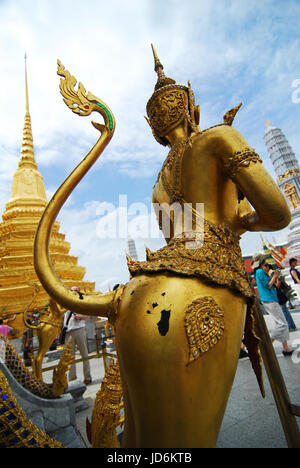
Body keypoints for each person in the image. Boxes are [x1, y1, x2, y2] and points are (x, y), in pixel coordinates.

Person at [34, 48, 292, 447]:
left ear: (155, 128)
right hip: (210, 284)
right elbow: (278, 214)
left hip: (140, 292)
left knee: (143, 443)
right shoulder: (218, 137)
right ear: (194, 109)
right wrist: (242, 220)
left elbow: (184, 237)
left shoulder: (159, 184)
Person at [252, 253, 293, 355]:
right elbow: (268, 286)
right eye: (265, 263)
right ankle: (268, 343)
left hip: (270, 298)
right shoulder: (260, 272)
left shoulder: (259, 272)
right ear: (261, 263)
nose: (267, 265)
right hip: (269, 299)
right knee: (282, 324)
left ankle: (285, 347)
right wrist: (274, 276)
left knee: (281, 323)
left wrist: (275, 277)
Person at [64, 286, 92, 385]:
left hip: (79, 330)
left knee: (84, 354)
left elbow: (88, 316)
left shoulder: (81, 302)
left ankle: (87, 377)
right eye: (72, 291)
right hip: (68, 331)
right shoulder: (66, 304)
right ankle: (72, 379)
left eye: (75, 291)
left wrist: (80, 316)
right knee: (70, 357)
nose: (73, 293)